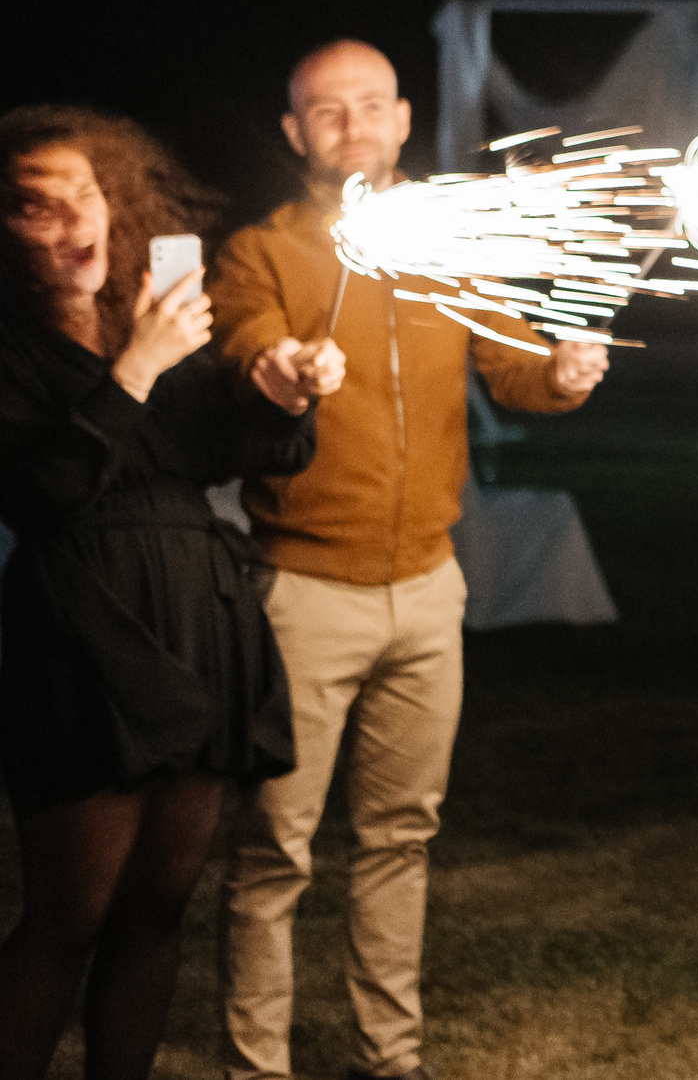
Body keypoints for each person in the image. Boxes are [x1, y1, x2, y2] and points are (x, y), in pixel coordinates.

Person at [210, 40, 608, 1080]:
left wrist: (560, 372)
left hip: (429, 588)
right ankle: (257, 1065)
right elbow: (248, 344)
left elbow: (510, 363)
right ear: (296, 132)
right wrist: (286, 367)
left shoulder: (445, 241)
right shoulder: (265, 250)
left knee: (400, 839)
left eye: (370, 105)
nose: (350, 125)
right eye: (325, 110)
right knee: (272, 855)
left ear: (402, 119)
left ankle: (393, 1057)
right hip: (301, 590)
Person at [0, 107, 341, 1080]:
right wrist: (138, 363)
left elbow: (222, 453)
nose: (74, 223)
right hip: (83, 628)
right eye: (38, 206)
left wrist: (280, 393)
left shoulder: (146, 309)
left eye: (87, 195)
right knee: (69, 915)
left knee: (157, 909)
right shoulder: (16, 344)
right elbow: (43, 490)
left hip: (197, 618)